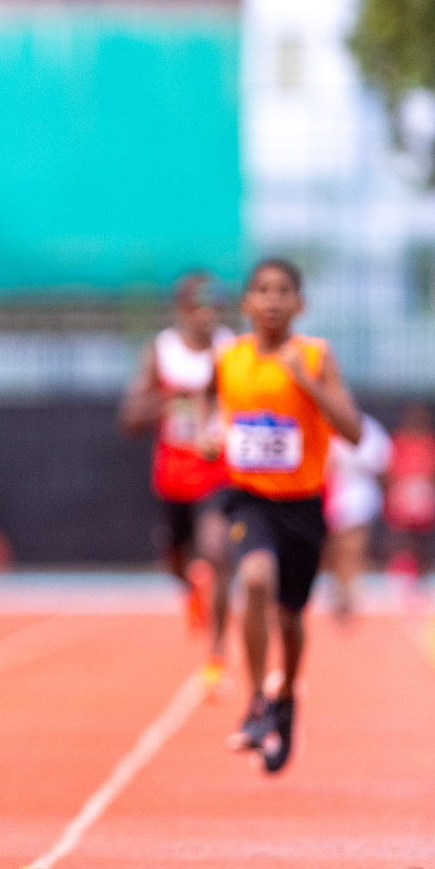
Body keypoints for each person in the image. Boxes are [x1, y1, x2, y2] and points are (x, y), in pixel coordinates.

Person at [212, 258, 362, 774]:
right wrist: (214, 436)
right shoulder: (228, 358)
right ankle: (256, 701)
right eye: (262, 290)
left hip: (302, 504)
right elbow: (217, 411)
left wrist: (309, 385)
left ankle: (286, 701)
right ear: (247, 303)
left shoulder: (316, 357)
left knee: (291, 618)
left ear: (299, 303)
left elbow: (355, 431)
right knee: (255, 580)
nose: (272, 300)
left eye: (283, 291)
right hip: (249, 498)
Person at [119, 273, 233, 689]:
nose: (207, 315)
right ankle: (190, 591)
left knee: (217, 549)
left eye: (214, 306)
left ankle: (218, 653)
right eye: (198, 306)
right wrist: (171, 399)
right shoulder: (161, 352)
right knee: (174, 558)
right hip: (173, 474)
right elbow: (129, 416)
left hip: (218, 471)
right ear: (181, 309)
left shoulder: (231, 351)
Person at [323, 412, 392, 621]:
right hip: (328, 495)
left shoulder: (368, 428)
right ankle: (339, 591)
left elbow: (381, 464)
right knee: (334, 549)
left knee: (352, 547)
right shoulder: (323, 422)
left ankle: (351, 593)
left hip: (358, 496)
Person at [383, 402, 435, 594]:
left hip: (423, 492)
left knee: (422, 539)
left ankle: (421, 576)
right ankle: (399, 572)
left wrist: (430, 490)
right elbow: (390, 467)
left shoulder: (432, 442)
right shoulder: (399, 440)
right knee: (400, 536)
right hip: (403, 492)